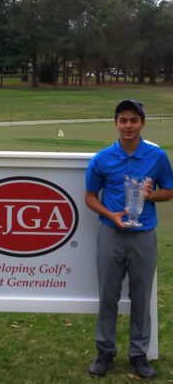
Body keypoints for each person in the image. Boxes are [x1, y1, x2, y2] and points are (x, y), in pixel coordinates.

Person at [85, 99, 173, 379]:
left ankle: (138, 355)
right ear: (116, 123)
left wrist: (149, 195)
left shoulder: (157, 157)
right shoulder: (101, 159)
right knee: (108, 296)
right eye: (123, 120)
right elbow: (90, 197)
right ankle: (105, 352)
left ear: (142, 123)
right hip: (111, 234)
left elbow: (169, 190)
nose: (128, 126)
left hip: (143, 234)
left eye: (134, 120)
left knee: (141, 297)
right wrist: (110, 215)